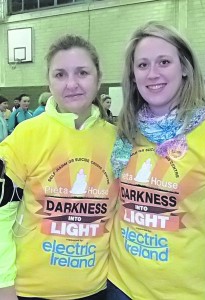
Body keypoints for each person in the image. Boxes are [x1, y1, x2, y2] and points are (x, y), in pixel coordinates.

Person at [107, 21, 205, 300]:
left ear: (184, 68)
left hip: (186, 293)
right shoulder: (125, 130)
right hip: (120, 285)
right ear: (133, 75)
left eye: (164, 62)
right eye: (142, 65)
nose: (152, 73)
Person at [0, 34, 118, 299]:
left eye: (83, 73)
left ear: (99, 78)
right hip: (30, 291)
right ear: (49, 81)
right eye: (60, 74)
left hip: (97, 290)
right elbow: (1, 214)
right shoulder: (24, 135)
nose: (72, 84)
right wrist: (4, 283)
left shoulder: (117, 141)